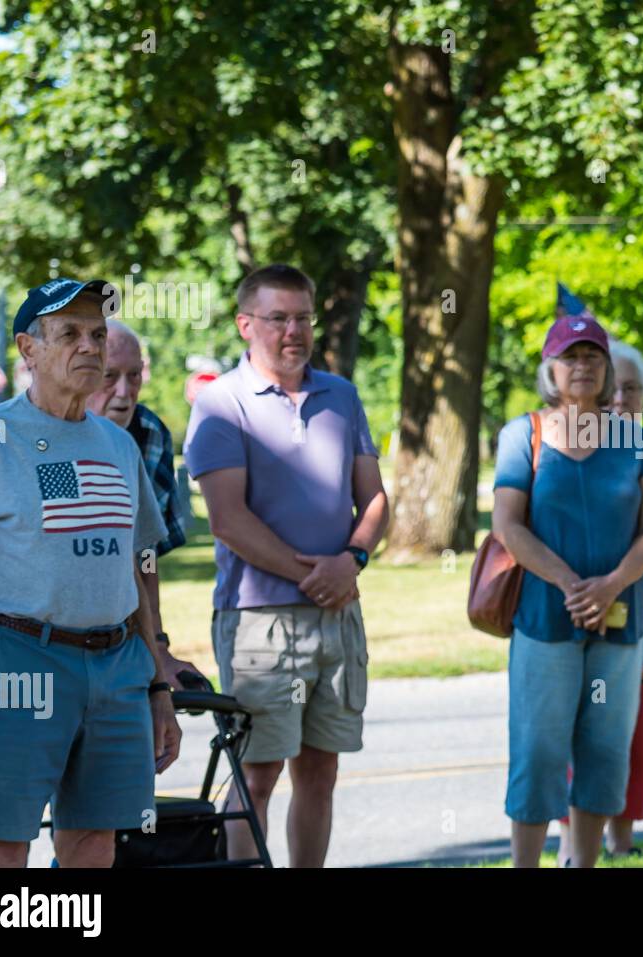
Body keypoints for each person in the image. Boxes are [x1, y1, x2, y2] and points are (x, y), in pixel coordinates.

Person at [0, 278, 182, 867]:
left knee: (94, 841)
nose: (90, 347)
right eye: (71, 334)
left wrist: (158, 684)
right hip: (17, 656)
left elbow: (137, 576)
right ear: (29, 350)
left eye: (98, 335)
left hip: (117, 664)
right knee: (5, 839)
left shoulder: (117, 445)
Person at [184, 263, 388, 868]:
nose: (292, 330)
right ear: (247, 324)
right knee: (258, 774)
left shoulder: (341, 395)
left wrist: (352, 559)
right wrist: (314, 574)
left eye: (302, 316)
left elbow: (373, 498)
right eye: (278, 318)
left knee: (320, 772)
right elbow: (227, 519)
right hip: (260, 620)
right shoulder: (222, 403)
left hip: (338, 615)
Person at [492, 313, 643, 868]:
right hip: (546, 618)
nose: (582, 366)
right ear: (551, 370)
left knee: (605, 754)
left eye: (593, 356)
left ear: (608, 367)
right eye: (570, 357)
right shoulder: (524, 434)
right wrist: (572, 585)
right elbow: (508, 526)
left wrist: (613, 585)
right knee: (539, 752)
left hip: (622, 621)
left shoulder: (635, 439)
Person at [557, 338, 643, 861]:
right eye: (613, 388)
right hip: (600, 614)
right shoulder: (579, 451)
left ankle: (623, 841)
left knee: (642, 735)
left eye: (633, 388)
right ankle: (573, 844)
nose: (622, 398)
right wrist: (640, 589)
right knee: (585, 730)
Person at [85, 318, 199, 687]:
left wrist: (159, 648)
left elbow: (144, 555)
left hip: (120, 635)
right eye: (109, 376)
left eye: (134, 376)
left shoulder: (148, 434)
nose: (123, 392)